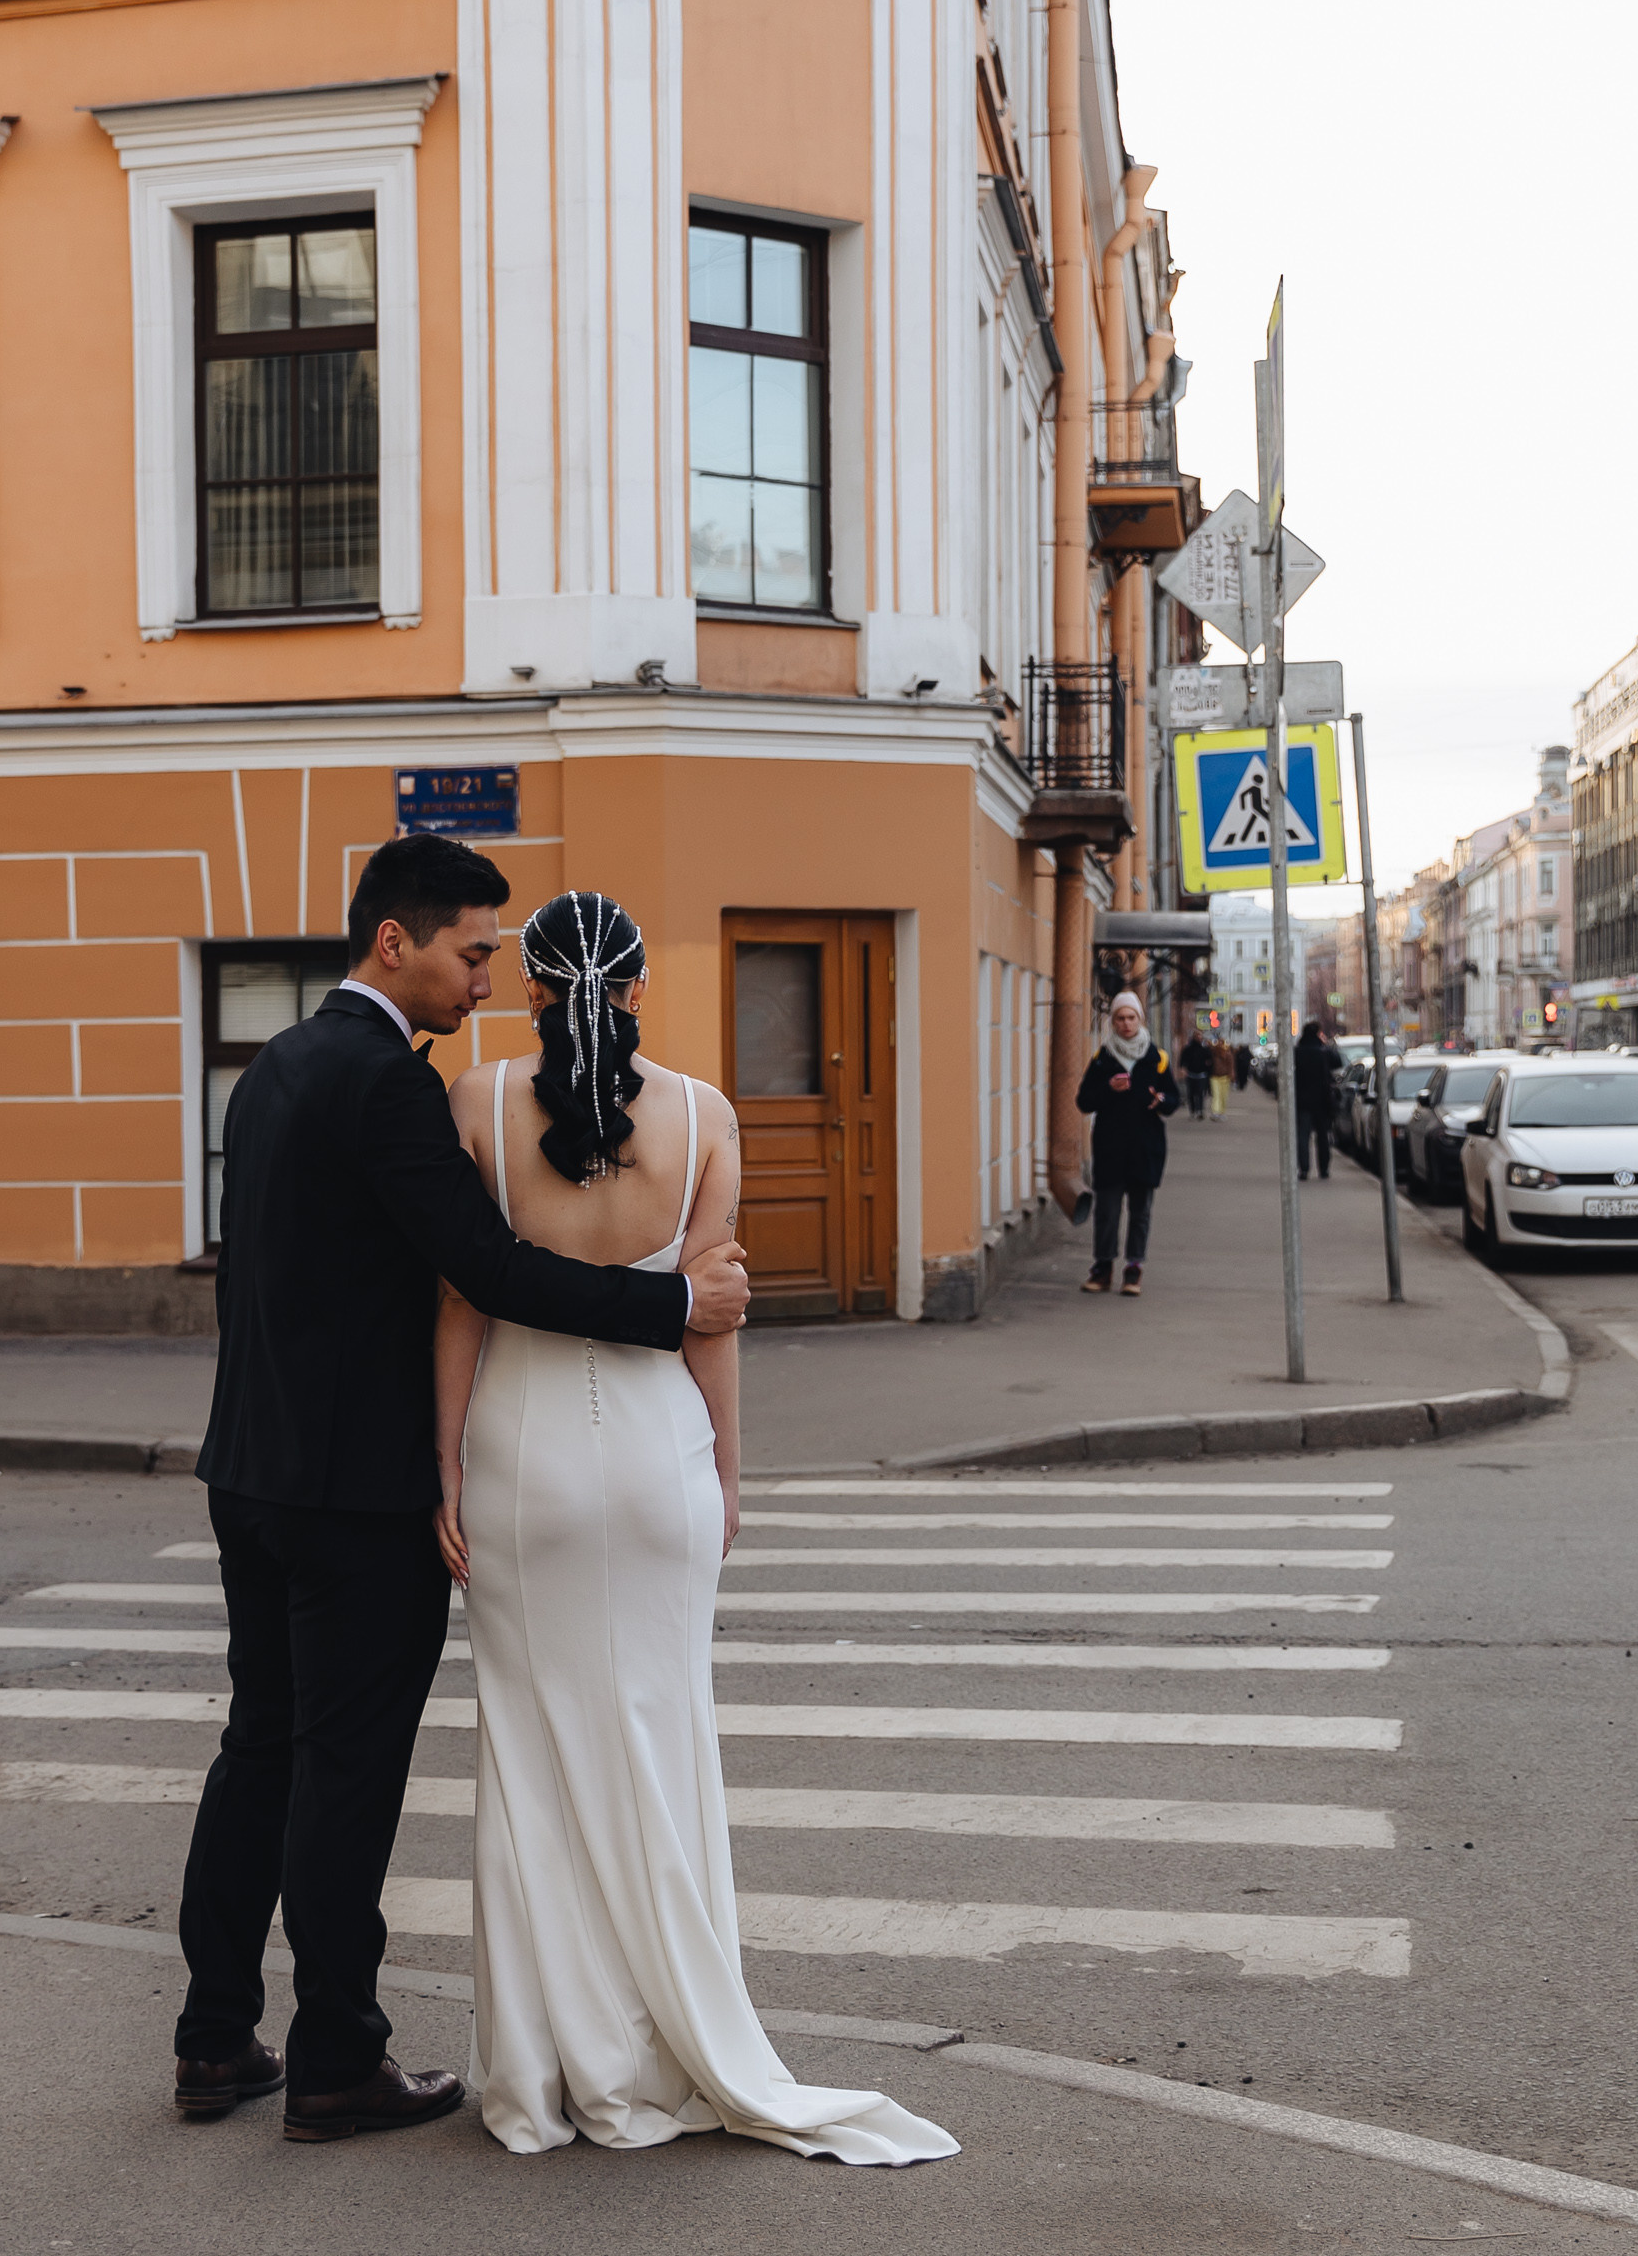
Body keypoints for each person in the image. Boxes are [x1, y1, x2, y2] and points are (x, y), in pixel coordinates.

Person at [174, 836, 751, 2144]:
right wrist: (669, 1303)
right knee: (344, 1769)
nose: (483, 979)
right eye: (468, 952)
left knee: (256, 1744)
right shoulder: (389, 1084)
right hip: (349, 1490)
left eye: (499, 957)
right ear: (397, 941)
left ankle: (215, 2036)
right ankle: (334, 2059)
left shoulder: (273, 1065)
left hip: (248, 1466)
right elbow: (486, 1271)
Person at [432, 890, 958, 2169]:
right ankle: (672, 2040)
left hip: (519, 1450)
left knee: (531, 1753)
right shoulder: (706, 1113)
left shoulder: (476, 1102)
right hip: (656, 1450)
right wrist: (726, 1470)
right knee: (661, 1741)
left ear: (535, 985)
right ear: (634, 989)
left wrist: (442, 1471)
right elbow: (710, 1313)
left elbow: (458, 1309)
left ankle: (547, 2073)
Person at [1075, 988, 1180, 1298]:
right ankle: (1102, 1268)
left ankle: (1134, 1269)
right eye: (1119, 1018)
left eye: (1131, 1017)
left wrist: (1161, 1099)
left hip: (1145, 1148)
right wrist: (1108, 1087)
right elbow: (1084, 1101)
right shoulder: (1103, 1058)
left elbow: (1173, 1098)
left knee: (1141, 1211)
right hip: (1109, 1147)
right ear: (1113, 1022)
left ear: (1140, 1019)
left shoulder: (1156, 1057)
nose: (1125, 1023)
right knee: (1106, 1211)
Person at [1294, 1018, 1344, 1181]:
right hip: (1322, 1100)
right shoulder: (1324, 1051)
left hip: (1302, 1100)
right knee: (1323, 1136)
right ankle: (1323, 1169)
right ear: (1318, 1034)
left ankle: (1304, 1169)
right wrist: (1325, 1044)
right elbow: (1338, 1061)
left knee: (1303, 1136)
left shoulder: (1297, 1051)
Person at [1181, 1027, 1211, 1121]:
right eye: (1197, 1035)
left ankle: (1200, 1111)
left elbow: (1209, 1060)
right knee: (1191, 1094)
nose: (1199, 1037)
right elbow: (1183, 1060)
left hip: (1202, 1074)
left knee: (1201, 1094)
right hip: (1191, 1074)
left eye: (1200, 1036)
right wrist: (1183, 1069)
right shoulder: (1188, 1049)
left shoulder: (1204, 1049)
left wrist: (1207, 1067)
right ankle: (1193, 1111)